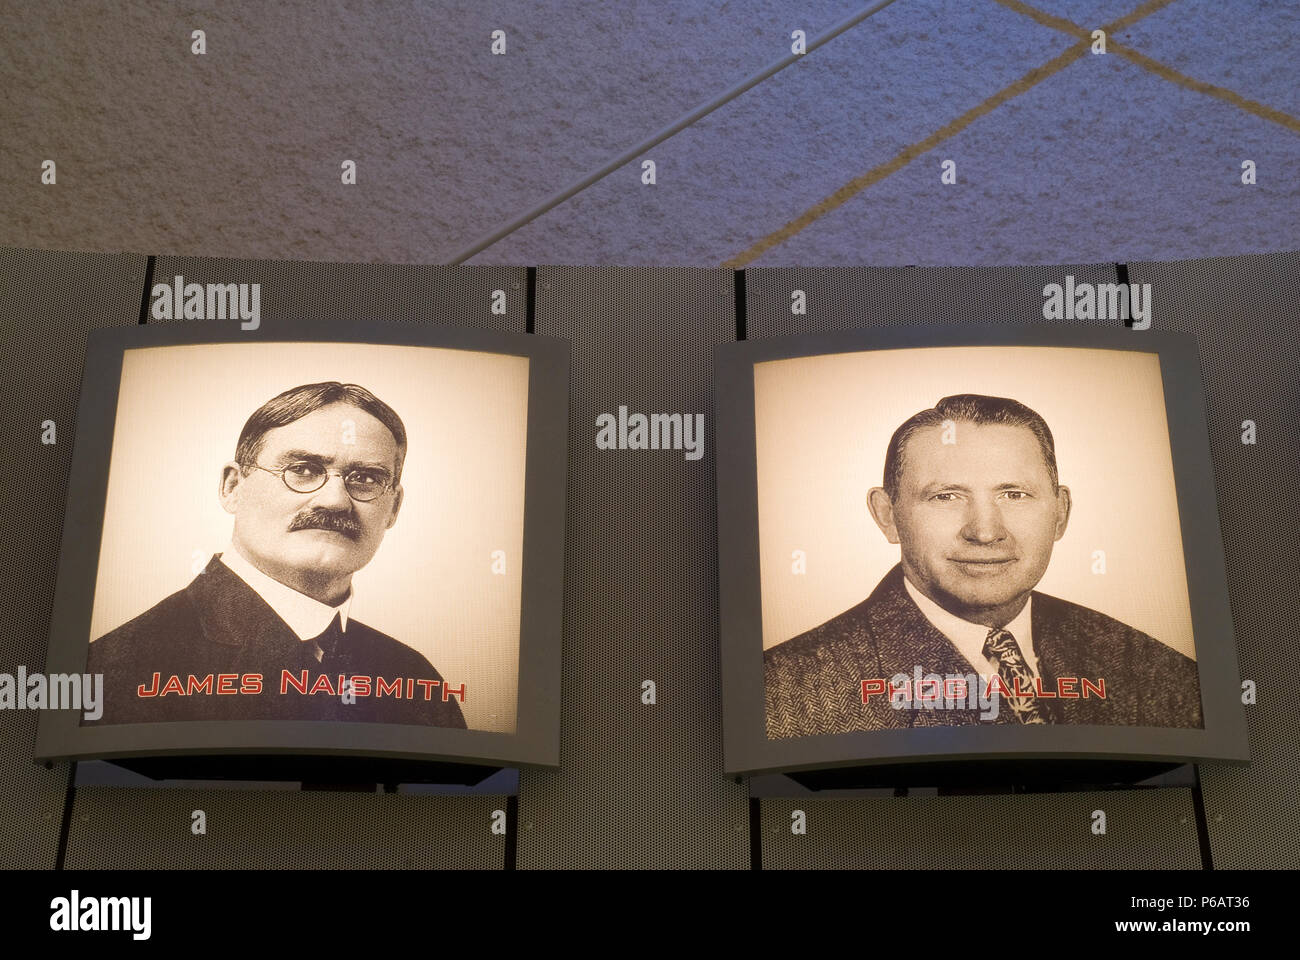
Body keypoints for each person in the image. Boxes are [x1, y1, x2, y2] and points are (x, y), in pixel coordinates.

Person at [764, 394, 1203, 740]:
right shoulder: (785, 696)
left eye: (1014, 494)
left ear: (1061, 513)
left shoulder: (1161, 674)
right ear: (888, 515)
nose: (985, 532)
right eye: (946, 496)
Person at [86, 382, 467, 728]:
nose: (335, 501)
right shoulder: (116, 672)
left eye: (365, 478)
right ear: (233, 486)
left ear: (394, 508)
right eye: (302, 469)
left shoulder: (415, 679)